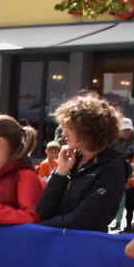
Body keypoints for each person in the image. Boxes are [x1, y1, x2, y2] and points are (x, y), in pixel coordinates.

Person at [35, 93, 127, 231]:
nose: (64, 134)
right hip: (57, 240)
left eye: (69, 128)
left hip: (84, 244)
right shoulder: (72, 159)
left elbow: (82, 219)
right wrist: (61, 173)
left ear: (88, 130)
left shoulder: (113, 166)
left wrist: (37, 227)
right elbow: (43, 211)